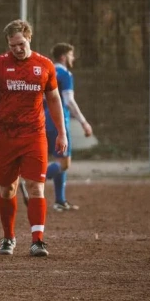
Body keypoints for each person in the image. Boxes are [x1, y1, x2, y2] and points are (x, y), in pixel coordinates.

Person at [0, 19, 68, 257]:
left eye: (20, 43)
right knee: (8, 189)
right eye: (12, 45)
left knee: (36, 187)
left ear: (29, 38)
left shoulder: (45, 65)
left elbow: (55, 100)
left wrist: (61, 132)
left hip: (34, 135)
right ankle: (8, 238)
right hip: (4, 137)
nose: (17, 48)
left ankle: (38, 240)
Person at [43, 43, 93, 211]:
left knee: (59, 160)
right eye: (71, 55)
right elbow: (69, 101)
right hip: (59, 121)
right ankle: (34, 181)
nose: (73, 58)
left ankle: (60, 200)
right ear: (63, 57)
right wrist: (84, 122)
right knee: (64, 163)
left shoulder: (45, 71)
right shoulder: (65, 74)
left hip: (42, 120)